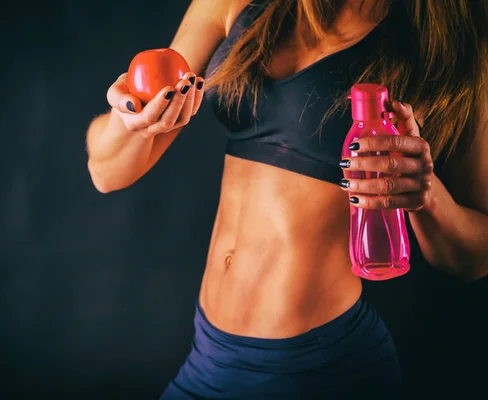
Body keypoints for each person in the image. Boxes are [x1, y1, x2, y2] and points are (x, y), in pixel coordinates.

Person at [86, 0, 488, 397]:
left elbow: (474, 259)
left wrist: (426, 193)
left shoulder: (453, 44)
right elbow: (105, 171)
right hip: (208, 357)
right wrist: (131, 121)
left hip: (320, 370)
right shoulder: (232, 5)